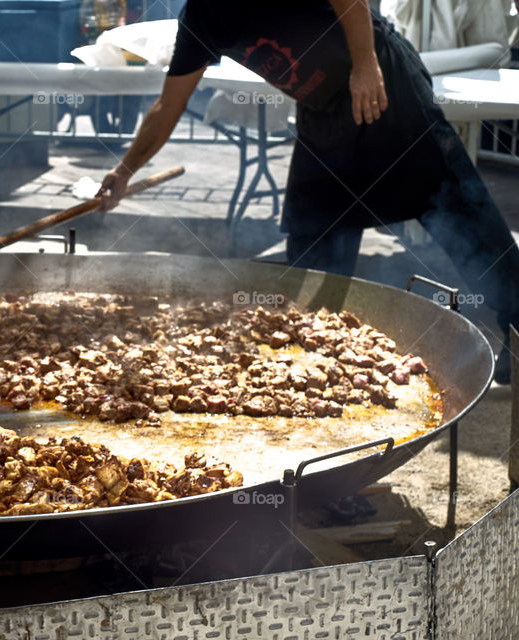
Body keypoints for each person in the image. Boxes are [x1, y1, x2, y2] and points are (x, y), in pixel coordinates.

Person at [98, 0, 519, 383]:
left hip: (383, 83)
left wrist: (365, 63)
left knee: (461, 214)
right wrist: (125, 169)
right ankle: (315, 352)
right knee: (313, 234)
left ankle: (518, 329)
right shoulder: (202, 17)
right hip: (324, 114)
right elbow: (167, 105)